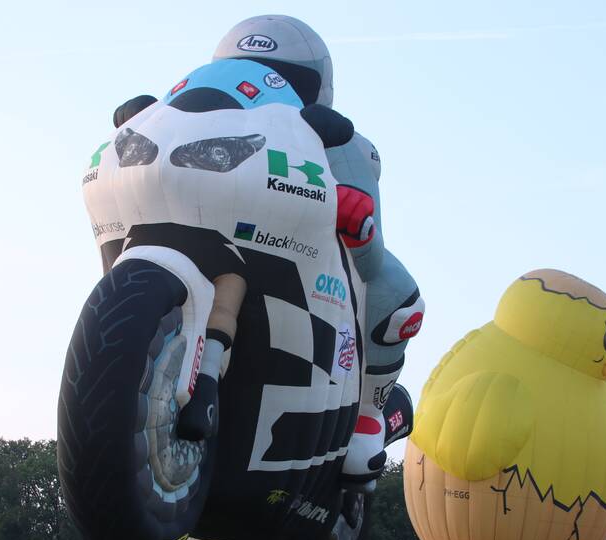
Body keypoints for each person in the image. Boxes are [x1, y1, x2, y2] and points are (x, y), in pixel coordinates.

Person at [96, 15, 423, 491]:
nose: (262, 86)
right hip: (202, 208)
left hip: (303, 261)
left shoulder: (344, 144)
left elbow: (369, 254)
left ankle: (368, 418)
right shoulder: (184, 113)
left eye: (280, 77)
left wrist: (356, 216)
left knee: (397, 296)